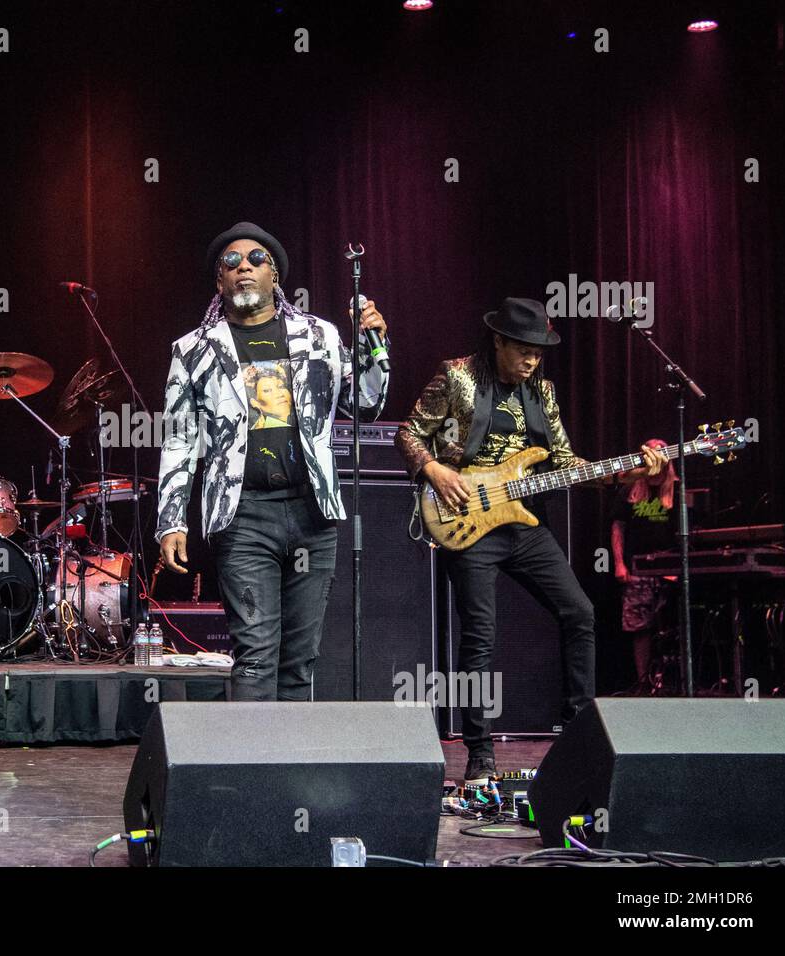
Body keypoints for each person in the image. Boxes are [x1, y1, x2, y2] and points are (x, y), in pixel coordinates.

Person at [395, 297, 663, 781]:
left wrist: (621, 474)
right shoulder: (457, 376)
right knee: (480, 636)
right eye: (523, 350)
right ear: (498, 340)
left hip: (524, 521)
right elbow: (409, 433)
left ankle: (581, 733)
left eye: (539, 353)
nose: (532, 360)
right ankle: (479, 754)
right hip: (466, 517)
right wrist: (434, 470)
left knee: (579, 612)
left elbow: (564, 461)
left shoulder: (542, 391)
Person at [156, 221, 389, 700]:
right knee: (255, 655)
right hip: (244, 517)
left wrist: (374, 346)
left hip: (311, 513)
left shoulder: (319, 335)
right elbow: (180, 441)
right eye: (231, 262)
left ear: (275, 276)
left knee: (299, 660)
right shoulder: (193, 350)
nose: (244, 266)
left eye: (256, 259)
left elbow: (366, 404)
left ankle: (288, 772)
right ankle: (247, 775)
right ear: (219, 282)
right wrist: (170, 521)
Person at [610, 438, 676, 693]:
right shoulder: (629, 489)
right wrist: (618, 563)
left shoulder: (676, 490)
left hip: (669, 570)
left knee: (671, 625)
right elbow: (617, 527)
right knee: (640, 627)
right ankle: (644, 682)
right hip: (637, 569)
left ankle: (672, 680)